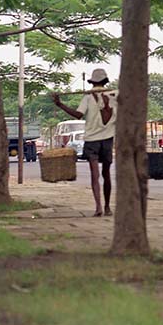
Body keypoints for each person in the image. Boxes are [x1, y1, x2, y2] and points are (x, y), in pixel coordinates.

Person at [52, 68, 117, 217]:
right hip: (107, 139)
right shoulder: (114, 95)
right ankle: (107, 207)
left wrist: (60, 104)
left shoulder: (88, 97)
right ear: (105, 81)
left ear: (93, 82)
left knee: (95, 175)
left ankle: (98, 207)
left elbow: (78, 115)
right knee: (106, 174)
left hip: (92, 140)